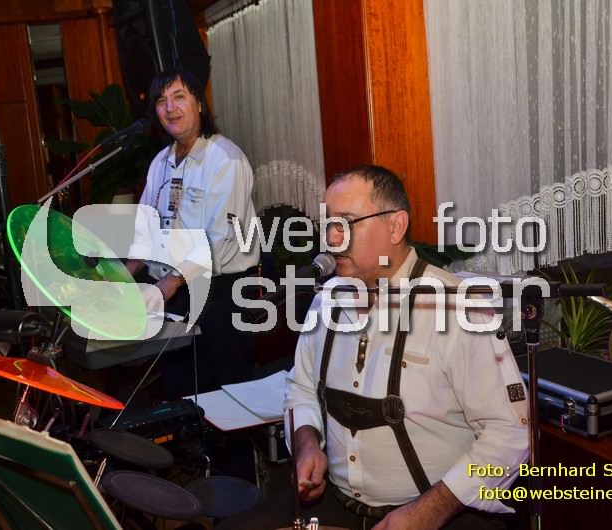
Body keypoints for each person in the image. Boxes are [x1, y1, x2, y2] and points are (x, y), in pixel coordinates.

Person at [219, 165, 529, 529]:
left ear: (395, 226)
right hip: (338, 501)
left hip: (440, 512)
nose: (332, 239)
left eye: (347, 223)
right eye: (328, 224)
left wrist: (427, 512)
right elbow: (301, 388)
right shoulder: (327, 300)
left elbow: (510, 434)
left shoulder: (458, 309)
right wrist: (306, 443)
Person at [125, 67, 261, 397]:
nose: (170, 108)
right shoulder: (160, 162)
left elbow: (219, 240)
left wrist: (169, 284)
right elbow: (145, 230)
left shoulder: (225, 159)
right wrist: (121, 276)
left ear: (199, 103)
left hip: (221, 295)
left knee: (229, 397)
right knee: (180, 392)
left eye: (179, 97)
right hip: (174, 293)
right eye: (162, 101)